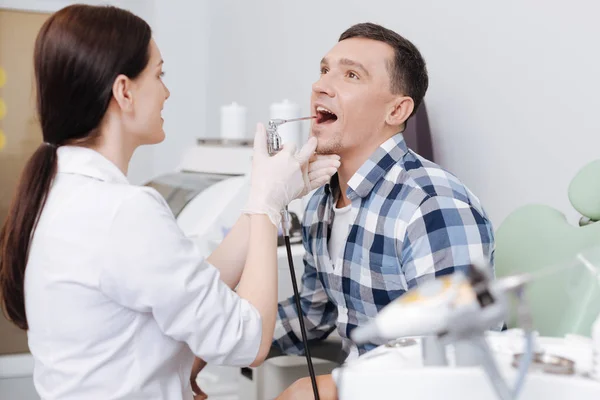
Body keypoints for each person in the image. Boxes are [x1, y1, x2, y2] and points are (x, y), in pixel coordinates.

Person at [0, 5, 339, 400]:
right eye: (159, 75)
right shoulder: (124, 211)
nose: (167, 91)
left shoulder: (58, 193)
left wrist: (262, 202)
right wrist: (266, 208)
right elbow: (250, 340)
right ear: (124, 91)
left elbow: (190, 288)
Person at [274, 22, 495, 399]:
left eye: (351, 75)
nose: (321, 85)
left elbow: (455, 354)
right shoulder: (319, 205)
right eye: (325, 70)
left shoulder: (432, 207)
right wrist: (211, 346)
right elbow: (309, 315)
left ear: (397, 109)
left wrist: (333, 387)